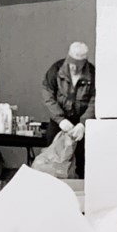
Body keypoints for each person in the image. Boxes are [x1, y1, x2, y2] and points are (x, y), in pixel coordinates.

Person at [42, 42, 95, 178]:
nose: (74, 68)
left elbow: (95, 101)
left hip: (81, 122)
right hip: (59, 121)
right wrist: (60, 120)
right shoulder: (56, 70)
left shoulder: (92, 74)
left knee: (84, 159)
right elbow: (48, 94)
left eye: (78, 65)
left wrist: (83, 123)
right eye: (72, 64)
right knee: (53, 157)